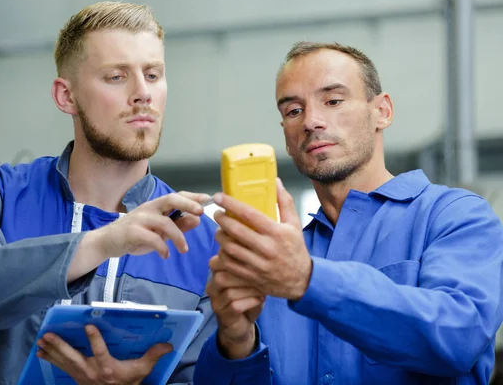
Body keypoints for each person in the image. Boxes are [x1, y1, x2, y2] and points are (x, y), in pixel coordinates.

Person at [0, 1, 219, 385]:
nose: (142, 93)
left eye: (153, 74)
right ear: (67, 96)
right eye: (116, 77)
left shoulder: (202, 240)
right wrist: (103, 242)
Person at [193, 42, 503, 384]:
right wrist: (235, 341)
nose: (311, 121)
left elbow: (459, 335)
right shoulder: (276, 258)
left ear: (382, 111)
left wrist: (308, 280)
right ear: (285, 135)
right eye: (293, 110)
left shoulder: (454, 216)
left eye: (333, 101)